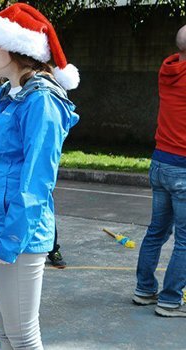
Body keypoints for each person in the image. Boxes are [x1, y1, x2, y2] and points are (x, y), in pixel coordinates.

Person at [0, 3, 80, 349]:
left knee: (22, 336)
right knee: (2, 331)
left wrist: (12, 239)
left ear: (18, 48)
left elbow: (37, 182)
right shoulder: (6, 94)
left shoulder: (42, 102)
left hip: (16, 235)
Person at [132, 24, 186, 318]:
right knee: (185, 241)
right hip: (182, 168)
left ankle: (144, 290)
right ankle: (170, 300)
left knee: (156, 231)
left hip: (161, 162)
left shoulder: (167, 70)